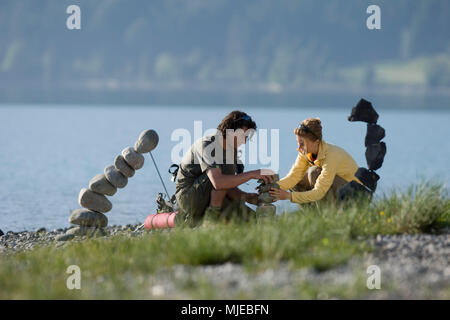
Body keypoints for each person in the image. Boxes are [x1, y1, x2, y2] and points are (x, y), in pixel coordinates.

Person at [175, 110, 274, 226]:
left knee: (252, 220)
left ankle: (216, 214)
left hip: (213, 194)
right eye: (243, 135)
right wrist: (253, 174)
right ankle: (210, 219)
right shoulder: (208, 144)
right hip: (189, 198)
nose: (245, 141)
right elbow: (218, 183)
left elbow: (228, 186)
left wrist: (247, 197)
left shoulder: (232, 151)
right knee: (221, 178)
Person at [269, 117, 366, 205]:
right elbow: (293, 177)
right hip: (337, 191)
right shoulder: (305, 153)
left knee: (314, 172)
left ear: (317, 142)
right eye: (298, 143)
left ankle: (327, 218)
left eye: (302, 144)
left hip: (357, 195)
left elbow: (320, 191)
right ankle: (313, 218)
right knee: (298, 181)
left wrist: (289, 196)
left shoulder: (332, 154)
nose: (298, 148)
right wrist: (272, 188)